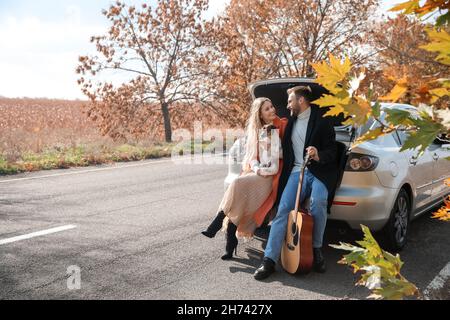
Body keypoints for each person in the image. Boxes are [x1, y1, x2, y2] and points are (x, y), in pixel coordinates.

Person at [253, 85, 338, 280]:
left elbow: (332, 152)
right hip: (296, 172)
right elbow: (267, 125)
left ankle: (316, 250)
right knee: (283, 209)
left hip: (319, 171)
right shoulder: (289, 122)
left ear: (301, 101)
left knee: (318, 203)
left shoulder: (322, 121)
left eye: (290, 100)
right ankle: (269, 260)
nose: (287, 105)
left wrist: (318, 155)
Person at [201, 97, 288, 260]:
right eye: (267, 109)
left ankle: (218, 220)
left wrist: (265, 166)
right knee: (238, 201)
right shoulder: (256, 132)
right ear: (260, 115)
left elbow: (279, 159)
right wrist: (256, 169)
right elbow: (252, 158)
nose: (272, 110)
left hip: (271, 178)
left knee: (237, 183)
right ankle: (230, 241)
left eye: (271, 106)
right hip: (256, 174)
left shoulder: (280, 127)